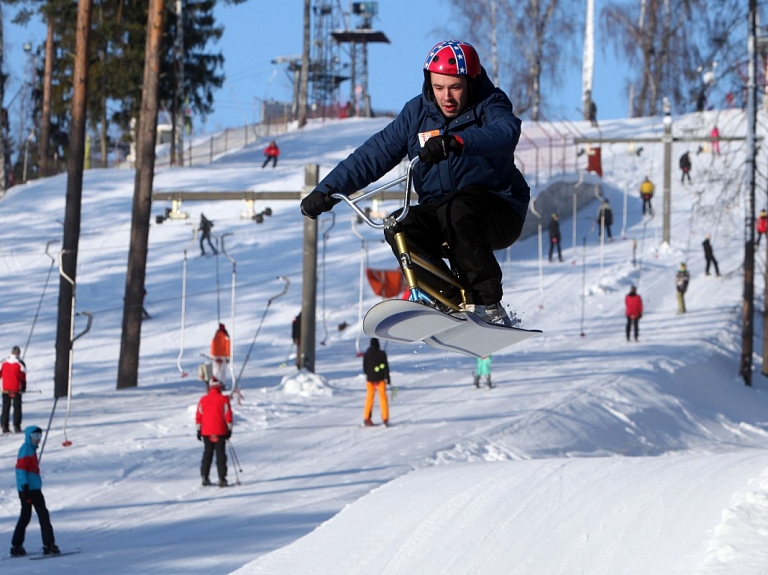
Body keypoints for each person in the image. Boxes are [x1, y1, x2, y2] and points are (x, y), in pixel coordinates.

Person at [300, 39, 530, 327]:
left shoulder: (490, 104)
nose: (447, 97)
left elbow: (505, 132)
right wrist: (327, 190)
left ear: (471, 82)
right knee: (400, 225)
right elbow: (372, 155)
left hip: (498, 208)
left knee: (459, 209)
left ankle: (486, 303)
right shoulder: (416, 114)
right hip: (444, 211)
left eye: (455, 87)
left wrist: (457, 142)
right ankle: (447, 299)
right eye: (439, 87)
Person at [11, 426, 60, 557]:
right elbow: (20, 470)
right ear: (29, 437)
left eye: (39, 436)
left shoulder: (30, 450)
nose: (38, 440)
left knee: (26, 516)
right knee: (43, 515)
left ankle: (16, 545)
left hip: (30, 488)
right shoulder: (26, 450)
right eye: (35, 437)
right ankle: (48, 544)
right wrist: (25, 487)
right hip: (30, 489)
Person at [195, 378, 232, 487]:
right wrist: (229, 429)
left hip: (206, 432)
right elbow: (228, 416)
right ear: (220, 387)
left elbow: (199, 416)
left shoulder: (203, 399)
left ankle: (204, 477)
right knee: (220, 455)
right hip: (220, 431)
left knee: (207, 454)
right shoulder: (223, 399)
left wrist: (198, 429)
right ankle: (222, 478)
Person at [362, 338, 390, 427]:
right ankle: (385, 418)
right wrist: (388, 378)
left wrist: (369, 375)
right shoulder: (382, 354)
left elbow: (364, 368)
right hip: (380, 379)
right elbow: (386, 367)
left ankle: (367, 417)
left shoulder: (366, 354)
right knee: (383, 398)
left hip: (370, 380)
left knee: (369, 399)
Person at [1, 346, 26, 434]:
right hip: (16, 389)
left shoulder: (3, 362)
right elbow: (22, 377)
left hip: (5, 388)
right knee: (17, 407)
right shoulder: (20, 363)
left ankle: (4, 426)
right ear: (19, 353)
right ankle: (16, 426)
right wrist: (23, 389)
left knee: (5, 407)